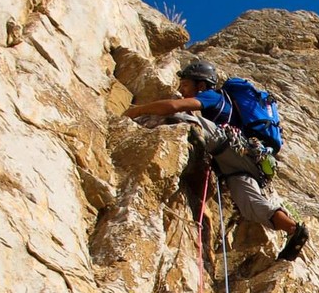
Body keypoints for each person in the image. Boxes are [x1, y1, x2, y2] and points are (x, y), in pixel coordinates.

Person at [123, 59, 309, 261]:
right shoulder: (226, 105)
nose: (181, 90)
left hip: (231, 146)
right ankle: (293, 229)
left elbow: (174, 106)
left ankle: (196, 138)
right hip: (250, 164)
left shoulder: (212, 96)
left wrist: (137, 111)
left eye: (185, 85)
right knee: (250, 204)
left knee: (182, 118)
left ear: (201, 85)